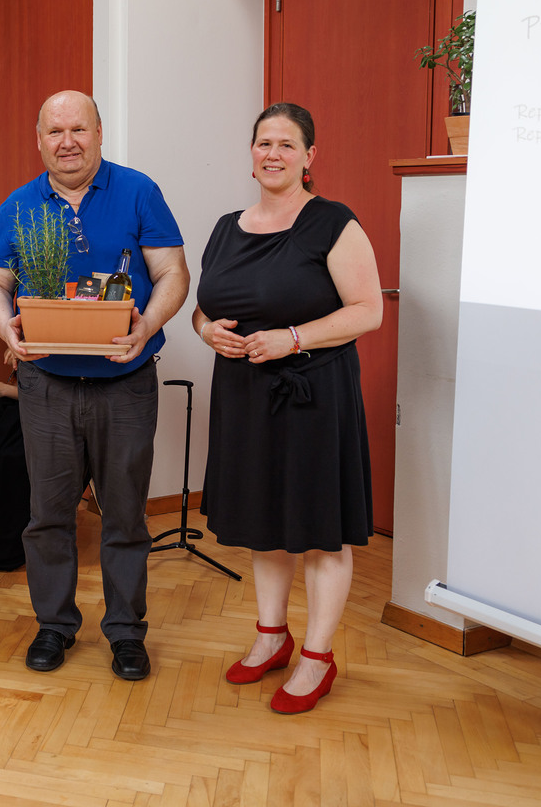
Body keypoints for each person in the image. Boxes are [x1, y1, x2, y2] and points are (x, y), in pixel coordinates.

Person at [0, 90, 189, 681]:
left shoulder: (139, 191)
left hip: (125, 383)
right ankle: (54, 624)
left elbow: (173, 272)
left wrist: (146, 325)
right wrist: (7, 329)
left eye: (78, 129)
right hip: (46, 385)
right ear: (39, 140)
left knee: (125, 515)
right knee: (48, 515)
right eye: (55, 131)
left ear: (99, 132)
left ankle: (125, 631)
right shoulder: (20, 204)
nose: (67, 142)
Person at [192, 102, 381, 714]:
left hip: (312, 395)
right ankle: (272, 637)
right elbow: (204, 307)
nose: (272, 154)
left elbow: (368, 311)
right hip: (244, 395)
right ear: (252, 154)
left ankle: (318, 658)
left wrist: (292, 339)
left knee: (321, 531)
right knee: (262, 520)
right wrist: (206, 331)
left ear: (308, 156)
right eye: (263, 143)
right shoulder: (226, 227)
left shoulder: (333, 222)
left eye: (286, 144)